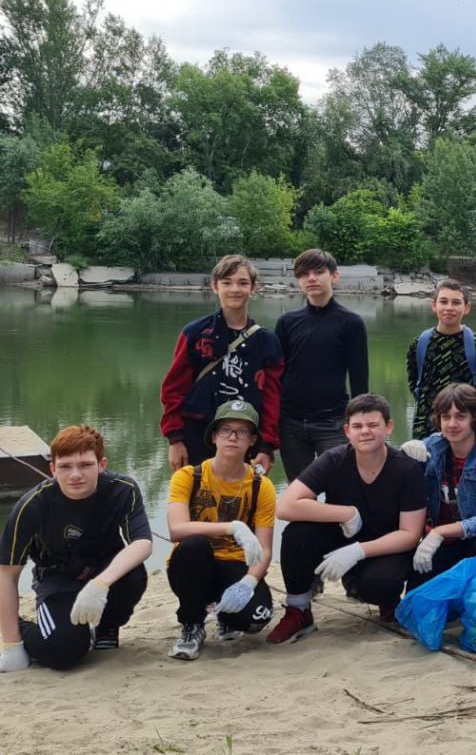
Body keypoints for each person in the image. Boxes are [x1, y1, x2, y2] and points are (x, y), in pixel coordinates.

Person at [268, 394, 427, 643]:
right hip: (343, 535)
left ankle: (386, 602)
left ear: (388, 427)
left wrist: (358, 551)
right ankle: (298, 610)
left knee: (380, 585)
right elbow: (286, 506)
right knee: (296, 533)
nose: (365, 432)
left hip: (385, 546)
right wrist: (346, 513)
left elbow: (410, 535)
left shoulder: (407, 469)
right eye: (358, 426)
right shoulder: (334, 459)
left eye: (373, 425)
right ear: (347, 431)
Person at [0, 426, 151, 672]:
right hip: (58, 579)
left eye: (85, 465)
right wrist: (11, 644)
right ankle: (23, 627)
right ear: (52, 468)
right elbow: (7, 573)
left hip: (104, 572)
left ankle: (107, 627)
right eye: (66, 466)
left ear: (102, 464)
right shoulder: (32, 505)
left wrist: (100, 584)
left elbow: (142, 543)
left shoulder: (122, 489)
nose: (75, 475)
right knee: (63, 653)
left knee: (134, 573)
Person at [166, 400, 276, 661]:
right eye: (226, 430)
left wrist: (249, 582)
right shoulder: (188, 476)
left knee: (257, 620)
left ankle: (226, 616)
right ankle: (192, 625)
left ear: (252, 441)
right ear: (214, 436)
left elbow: (266, 548)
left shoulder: (262, 486)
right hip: (193, 563)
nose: (233, 437)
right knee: (193, 544)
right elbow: (176, 529)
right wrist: (232, 527)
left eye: (243, 431)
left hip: (235, 564)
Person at [160, 254, 284, 474]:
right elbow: (173, 389)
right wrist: (175, 439)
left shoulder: (267, 341)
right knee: (196, 499)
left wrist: (267, 445)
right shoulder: (196, 333)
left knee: (241, 501)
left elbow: (272, 397)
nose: (234, 289)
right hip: (197, 432)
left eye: (243, 283)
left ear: (253, 288)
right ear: (215, 287)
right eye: (226, 283)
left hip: (246, 435)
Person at [274, 248, 370, 481]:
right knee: (299, 492)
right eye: (304, 274)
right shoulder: (287, 322)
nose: (312, 278)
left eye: (319, 272)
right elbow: (275, 375)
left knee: (342, 487)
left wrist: (358, 422)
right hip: (291, 423)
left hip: (333, 423)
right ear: (298, 280)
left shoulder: (351, 323)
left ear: (334, 276)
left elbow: (359, 379)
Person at [408, 384, 476, 587]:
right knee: (417, 594)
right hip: (444, 543)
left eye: (460, 416)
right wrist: (404, 453)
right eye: (446, 417)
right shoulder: (432, 446)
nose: (452, 424)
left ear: (474, 418)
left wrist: (440, 531)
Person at [406, 279, 476, 440]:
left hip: (464, 427)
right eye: (443, 302)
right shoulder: (419, 344)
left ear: (466, 308)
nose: (449, 308)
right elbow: (414, 383)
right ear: (434, 305)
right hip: (425, 426)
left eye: (456, 303)